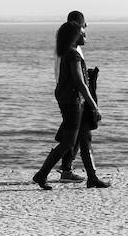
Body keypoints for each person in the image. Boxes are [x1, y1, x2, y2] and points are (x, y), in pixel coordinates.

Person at [33, 21, 111, 190]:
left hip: (73, 102)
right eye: (83, 33)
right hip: (73, 103)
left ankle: (92, 178)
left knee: (83, 138)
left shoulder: (68, 53)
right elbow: (80, 83)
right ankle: (41, 174)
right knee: (68, 142)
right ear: (75, 36)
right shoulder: (73, 55)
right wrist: (95, 106)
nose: (85, 36)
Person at [55, 10, 88, 181]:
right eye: (84, 24)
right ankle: (66, 168)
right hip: (72, 96)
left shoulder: (68, 47)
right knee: (73, 136)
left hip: (68, 94)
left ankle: (70, 168)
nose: (86, 28)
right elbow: (77, 79)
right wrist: (90, 100)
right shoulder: (72, 51)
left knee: (74, 133)